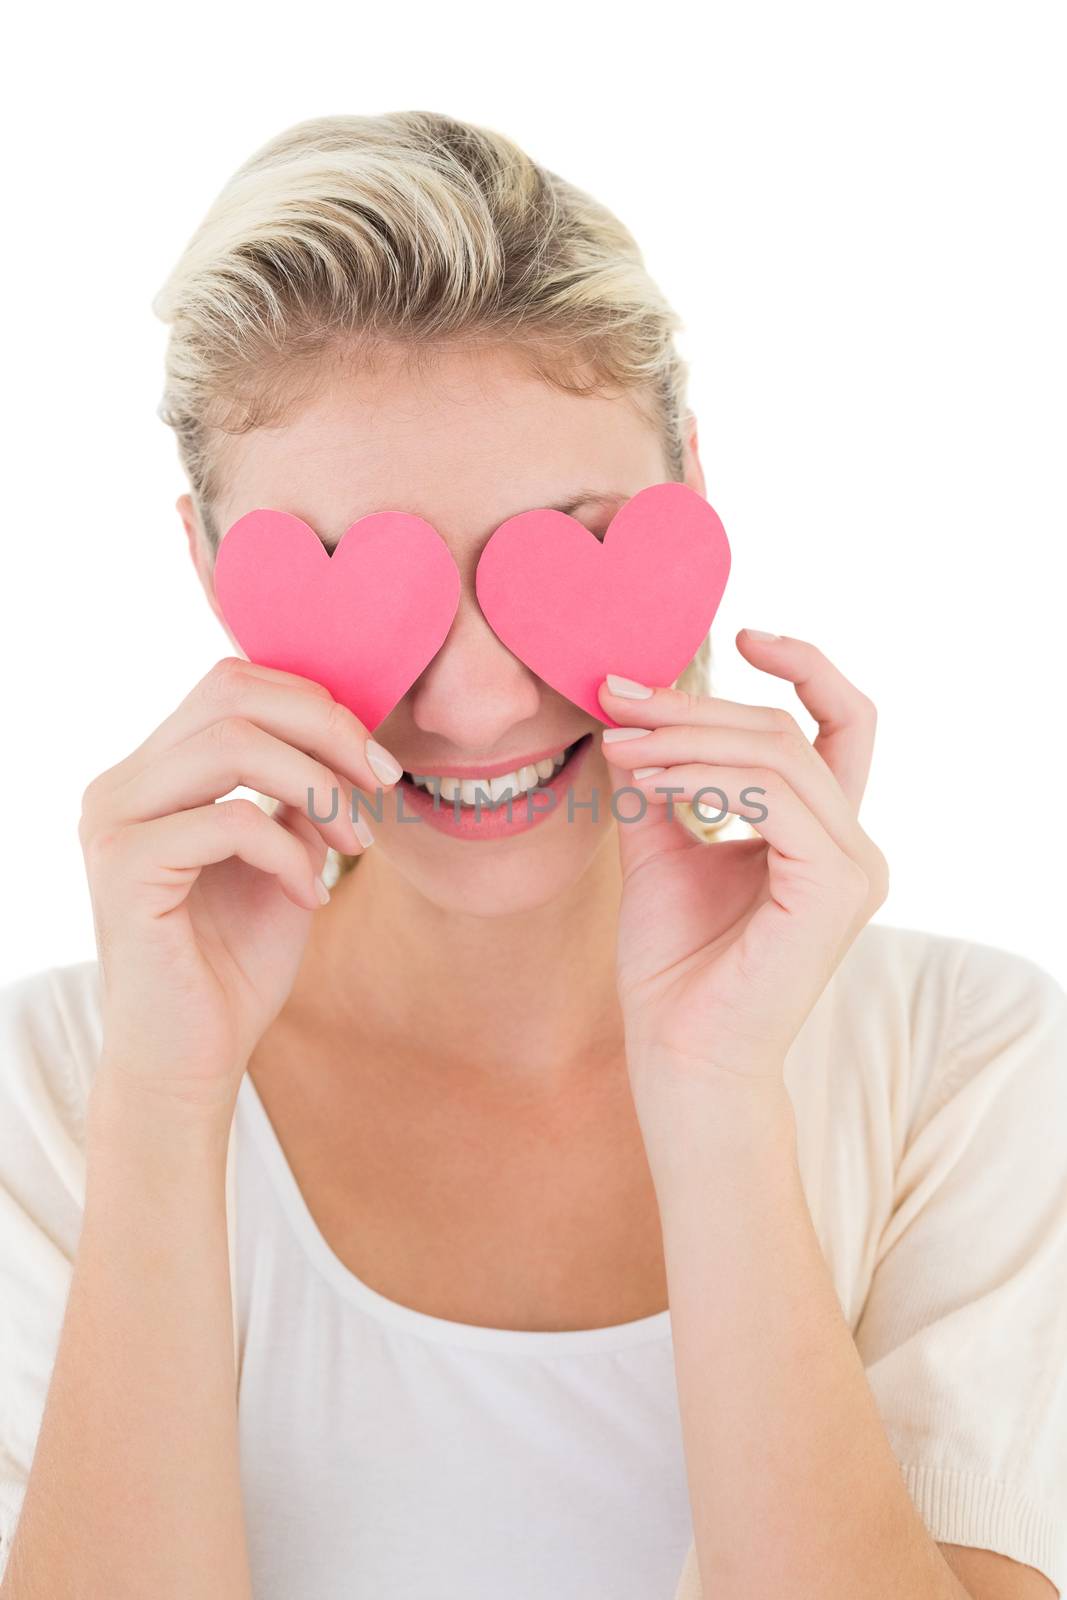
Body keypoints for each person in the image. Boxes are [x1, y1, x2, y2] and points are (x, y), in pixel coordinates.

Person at [1, 110, 1064, 1600]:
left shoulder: (968, 1063)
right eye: (375, 578)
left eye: (562, 542)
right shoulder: (55, 1093)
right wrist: (168, 1110)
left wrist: (714, 1087)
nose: (477, 698)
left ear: (693, 480)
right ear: (206, 565)